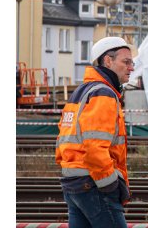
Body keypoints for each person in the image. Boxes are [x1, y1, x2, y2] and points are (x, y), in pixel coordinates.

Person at [55, 36, 135, 227]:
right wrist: (110, 185)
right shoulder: (103, 94)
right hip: (94, 185)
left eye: (132, 62)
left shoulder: (81, 92)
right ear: (108, 61)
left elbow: (62, 142)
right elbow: (94, 146)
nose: (131, 67)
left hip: (73, 184)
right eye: (126, 62)